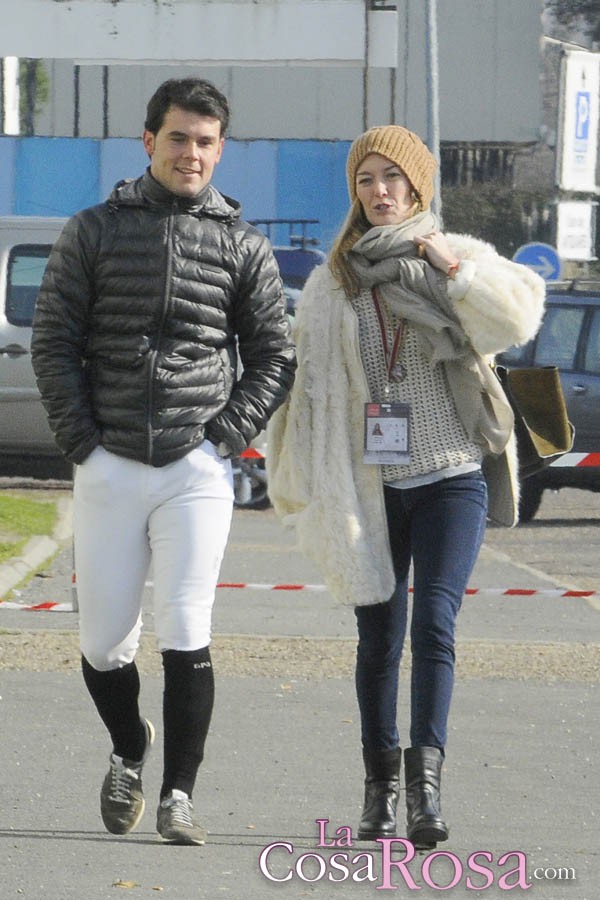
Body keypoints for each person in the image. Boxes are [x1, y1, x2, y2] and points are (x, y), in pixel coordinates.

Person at [31, 77, 295, 845]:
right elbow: (54, 342)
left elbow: (275, 353)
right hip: (107, 460)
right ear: (149, 141)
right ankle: (129, 748)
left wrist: (225, 438)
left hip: (196, 468)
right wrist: (83, 442)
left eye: (206, 141)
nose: (192, 153)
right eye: (178, 138)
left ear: (220, 149)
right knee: (103, 643)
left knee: (187, 625)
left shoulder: (244, 244)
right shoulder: (94, 230)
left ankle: (179, 794)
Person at [267, 125, 545, 848]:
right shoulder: (334, 280)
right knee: (378, 637)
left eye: (394, 178)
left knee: (435, 624)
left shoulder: (459, 258)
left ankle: (427, 793)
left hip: (452, 473)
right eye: (366, 179)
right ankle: (379, 792)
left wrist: (453, 269)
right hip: (371, 485)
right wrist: (309, 479)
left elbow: (516, 319)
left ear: (418, 186)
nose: (380, 191)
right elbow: (314, 389)